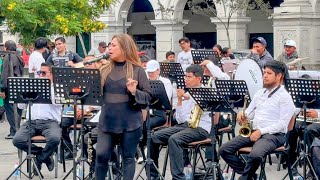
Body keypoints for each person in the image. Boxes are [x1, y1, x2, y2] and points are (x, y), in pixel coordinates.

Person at [218, 60, 296, 180]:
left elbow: (283, 125)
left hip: (274, 135)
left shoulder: (285, 97)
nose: (264, 76)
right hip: (255, 131)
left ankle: (244, 178)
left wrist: (261, 131)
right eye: (264, 72)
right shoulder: (260, 93)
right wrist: (242, 114)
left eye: (269, 73)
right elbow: (250, 113)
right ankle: (250, 176)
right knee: (224, 150)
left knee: (255, 155)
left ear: (279, 76)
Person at [95, 34, 151, 180]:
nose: (110, 48)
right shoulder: (104, 69)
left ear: (125, 48)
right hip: (107, 120)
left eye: (114, 45)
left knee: (128, 157)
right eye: (109, 45)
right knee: (101, 155)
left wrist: (134, 91)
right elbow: (95, 94)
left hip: (130, 120)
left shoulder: (137, 70)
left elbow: (147, 97)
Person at [150, 65, 212, 179]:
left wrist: (188, 97)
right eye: (185, 76)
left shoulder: (207, 93)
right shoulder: (186, 94)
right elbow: (180, 120)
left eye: (189, 77)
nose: (185, 79)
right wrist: (179, 100)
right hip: (185, 125)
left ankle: (178, 177)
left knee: (174, 139)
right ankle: (153, 176)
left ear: (198, 79)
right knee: (153, 137)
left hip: (200, 128)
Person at [12, 63, 63, 176]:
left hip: (50, 122)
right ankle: (44, 156)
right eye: (40, 73)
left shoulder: (57, 88)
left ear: (52, 75)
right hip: (31, 122)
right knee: (17, 140)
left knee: (55, 139)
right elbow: (21, 106)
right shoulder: (33, 86)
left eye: (44, 73)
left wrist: (48, 85)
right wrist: (22, 96)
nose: (41, 75)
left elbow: (57, 102)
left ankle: (39, 159)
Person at [60, 55, 102, 160]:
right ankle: (69, 150)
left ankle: (89, 156)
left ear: (97, 65)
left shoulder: (101, 78)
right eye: (85, 63)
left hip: (94, 110)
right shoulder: (78, 78)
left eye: (90, 63)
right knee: (62, 123)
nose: (87, 66)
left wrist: (87, 110)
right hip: (78, 108)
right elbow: (72, 97)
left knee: (89, 128)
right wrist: (76, 108)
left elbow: (101, 100)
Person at [1, 40, 25, 139]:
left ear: (6, 48)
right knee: (16, 109)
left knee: (10, 110)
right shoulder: (19, 57)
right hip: (18, 85)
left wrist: (2, 89)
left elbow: (5, 74)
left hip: (10, 87)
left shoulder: (8, 57)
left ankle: (15, 131)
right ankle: (14, 130)